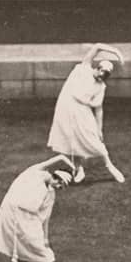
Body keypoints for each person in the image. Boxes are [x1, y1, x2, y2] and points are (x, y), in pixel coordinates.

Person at [0, 155, 76, 262]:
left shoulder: (51, 194)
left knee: (40, 246)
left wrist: (46, 237)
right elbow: (52, 160)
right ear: (55, 177)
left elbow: (45, 216)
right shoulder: (35, 173)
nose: (59, 187)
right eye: (59, 183)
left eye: (62, 186)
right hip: (12, 214)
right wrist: (66, 161)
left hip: (29, 219)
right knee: (17, 244)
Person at [47, 42, 126, 184]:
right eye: (101, 73)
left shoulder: (101, 87)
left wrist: (99, 129)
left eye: (105, 76)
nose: (101, 77)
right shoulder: (84, 69)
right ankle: (78, 169)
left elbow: (98, 108)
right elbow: (97, 47)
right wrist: (116, 52)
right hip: (66, 107)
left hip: (82, 112)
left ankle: (110, 166)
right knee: (71, 141)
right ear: (98, 68)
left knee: (94, 141)